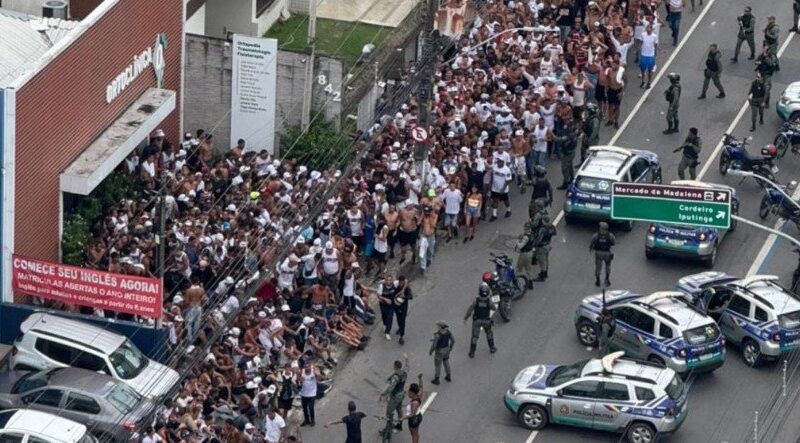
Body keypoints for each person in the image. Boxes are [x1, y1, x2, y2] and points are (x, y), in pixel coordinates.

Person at [463, 282, 497, 358]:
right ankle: (492, 348)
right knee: (489, 334)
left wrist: (465, 318)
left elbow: (470, 310)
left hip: (476, 321)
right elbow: (494, 308)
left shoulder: (476, 301)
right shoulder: (489, 301)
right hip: (486, 321)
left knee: (475, 337)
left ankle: (472, 353)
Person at [379, 355, 408, 434]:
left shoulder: (395, 377)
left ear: (395, 367)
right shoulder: (404, 373)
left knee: (389, 412)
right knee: (399, 409)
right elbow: (407, 367)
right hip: (401, 394)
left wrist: (384, 394)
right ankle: (400, 424)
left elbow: (391, 387)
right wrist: (406, 359)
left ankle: (388, 429)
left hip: (395, 396)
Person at [552, 119, 581, 189]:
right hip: (571, 152)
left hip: (567, 154)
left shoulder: (569, 135)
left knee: (565, 168)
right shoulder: (574, 132)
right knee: (570, 166)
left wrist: (551, 134)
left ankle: (565, 183)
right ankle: (572, 178)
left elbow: (558, 139)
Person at [589, 222, 616, 287]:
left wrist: (591, 249)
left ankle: (598, 281)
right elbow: (614, 242)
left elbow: (592, 243)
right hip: (607, 253)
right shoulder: (610, 235)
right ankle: (607, 279)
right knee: (608, 266)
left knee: (598, 267)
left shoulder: (596, 235)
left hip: (598, 253)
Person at [401, 374, 424, 443]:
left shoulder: (414, 403)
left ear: (413, 393)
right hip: (418, 416)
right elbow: (421, 386)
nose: (408, 393)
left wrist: (402, 418)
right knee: (416, 434)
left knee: (414, 435)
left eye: (409, 392)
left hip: (414, 420)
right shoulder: (419, 395)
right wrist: (420, 378)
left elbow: (412, 414)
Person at [533, 214, 556, 282]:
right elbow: (554, 234)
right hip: (548, 244)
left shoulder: (543, 228)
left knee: (542, 260)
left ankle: (542, 275)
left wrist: (534, 244)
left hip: (542, 246)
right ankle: (545, 272)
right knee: (546, 259)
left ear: (543, 221)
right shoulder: (552, 227)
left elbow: (539, 238)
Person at [378, 274, 399, 341]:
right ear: (385, 280)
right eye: (387, 280)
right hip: (383, 303)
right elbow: (378, 295)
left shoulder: (395, 283)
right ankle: (384, 324)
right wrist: (385, 299)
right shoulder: (381, 286)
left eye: (390, 280)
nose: (388, 281)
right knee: (384, 316)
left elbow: (405, 281)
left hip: (391, 304)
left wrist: (402, 291)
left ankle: (387, 332)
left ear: (392, 280)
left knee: (390, 317)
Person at [516, 221, 536, 288]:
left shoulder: (526, 237)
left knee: (518, 269)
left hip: (524, 254)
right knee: (528, 269)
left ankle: (516, 283)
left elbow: (520, 246)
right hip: (530, 253)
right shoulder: (532, 235)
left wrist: (517, 241)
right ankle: (530, 283)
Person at [394, 276, 412, 344]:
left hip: (404, 306)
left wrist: (404, 297)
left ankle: (401, 336)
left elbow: (411, 296)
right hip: (396, 305)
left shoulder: (407, 288)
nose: (401, 283)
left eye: (402, 282)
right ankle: (400, 327)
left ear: (404, 282)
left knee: (402, 320)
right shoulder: (396, 286)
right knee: (398, 318)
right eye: (400, 282)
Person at [639, 24, 658, 88]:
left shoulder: (654, 36)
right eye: (648, 28)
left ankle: (649, 82)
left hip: (650, 55)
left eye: (650, 28)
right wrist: (639, 50)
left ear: (652, 29)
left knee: (650, 70)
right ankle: (643, 81)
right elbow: (641, 42)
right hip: (643, 54)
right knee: (642, 69)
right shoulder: (643, 35)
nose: (649, 30)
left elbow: (655, 45)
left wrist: (655, 53)